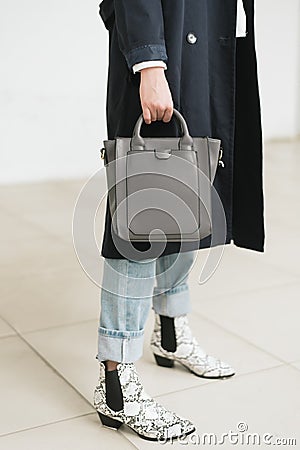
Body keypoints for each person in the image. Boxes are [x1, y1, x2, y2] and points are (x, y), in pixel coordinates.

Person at [93, 0, 264, 442]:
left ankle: (170, 332)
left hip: (211, 44)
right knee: (139, 219)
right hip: (162, 52)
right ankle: (116, 379)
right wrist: (149, 63)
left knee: (191, 198)